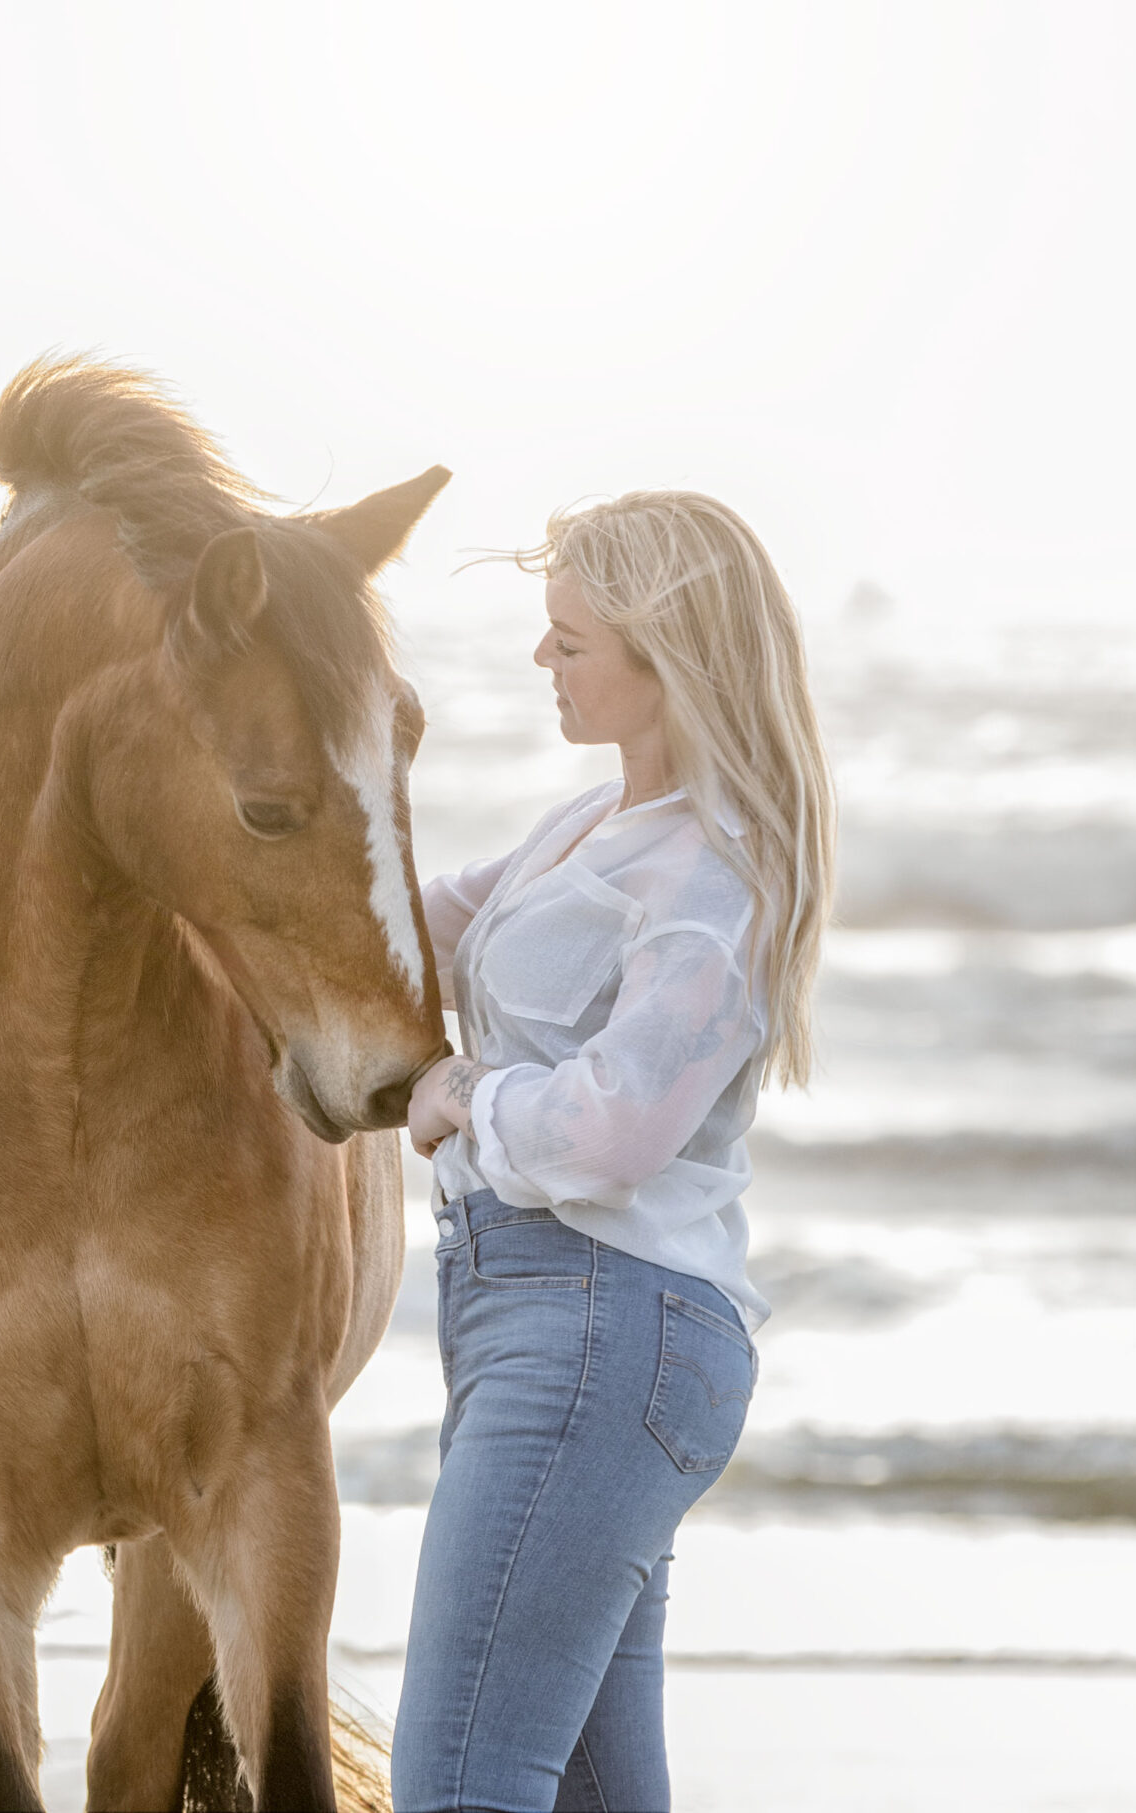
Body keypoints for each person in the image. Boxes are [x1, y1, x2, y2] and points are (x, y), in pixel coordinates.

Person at [394, 490, 835, 1812]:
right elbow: (409, 931)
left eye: (570, 638)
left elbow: (621, 1124)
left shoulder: (709, 869)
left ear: (667, 657)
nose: (545, 661)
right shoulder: (588, 829)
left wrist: (467, 1091)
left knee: (462, 1782)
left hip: (599, 1329)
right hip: (560, 1329)